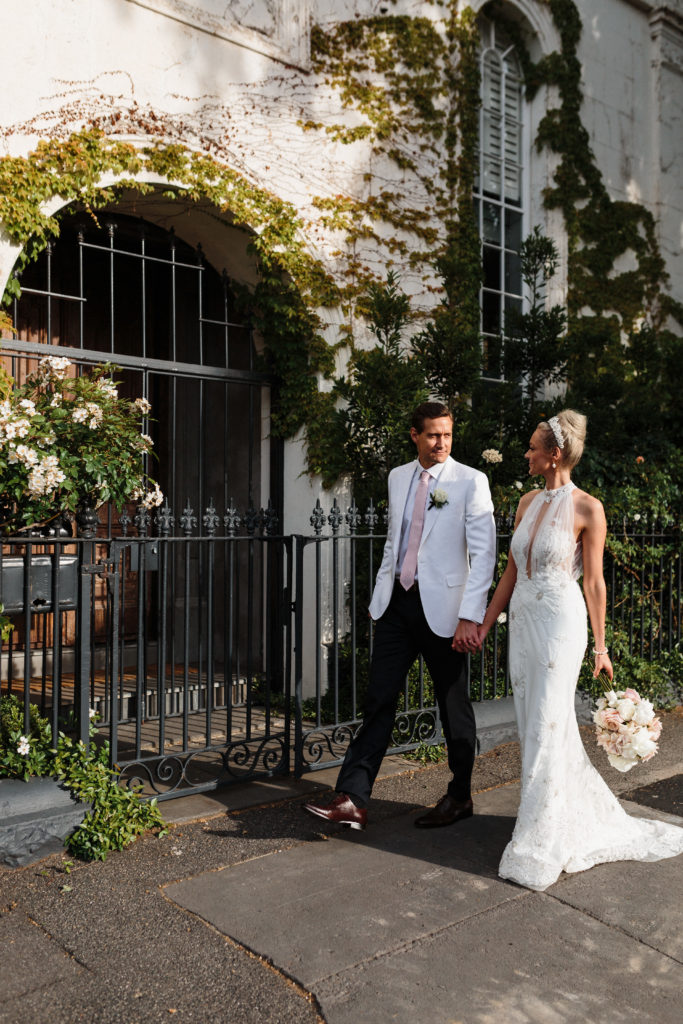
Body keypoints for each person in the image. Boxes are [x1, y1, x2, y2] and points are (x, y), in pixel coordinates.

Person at [477, 410, 683, 891]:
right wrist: (486, 623)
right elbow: (511, 571)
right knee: (534, 723)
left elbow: (593, 582)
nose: (525, 454)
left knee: (550, 718)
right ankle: (553, 816)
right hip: (523, 624)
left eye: (532, 447)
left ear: (554, 455)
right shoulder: (526, 501)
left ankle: (539, 839)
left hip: (560, 625)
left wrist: (601, 647)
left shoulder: (589, 508)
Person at [304, 401, 496, 830]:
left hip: (446, 611)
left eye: (447, 435)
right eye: (432, 435)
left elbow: (484, 555)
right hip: (396, 605)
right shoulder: (397, 476)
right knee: (379, 700)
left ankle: (460, 795)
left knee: (453, 707)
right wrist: (380, 598)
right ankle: (352, 799)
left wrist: (471, 615)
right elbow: (397, 540)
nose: (441, 443)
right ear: (414, 434)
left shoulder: (470, 481)